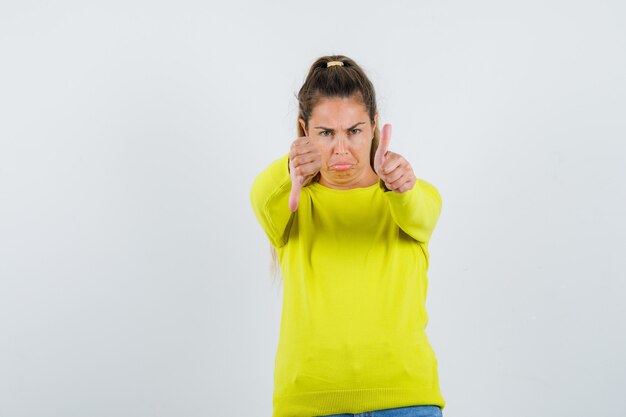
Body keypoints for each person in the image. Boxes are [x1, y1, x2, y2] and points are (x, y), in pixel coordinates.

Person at [250, 55, 446, 417]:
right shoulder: (290, 204)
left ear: (374, 125)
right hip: (308, 405)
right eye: (326, 133)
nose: (341, 149)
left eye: (354, 131)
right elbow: (259, 195)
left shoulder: (410, 198)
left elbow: (421, 211)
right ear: (304, 130)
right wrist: (289, 166)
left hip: (405, 403)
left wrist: (402, 187)